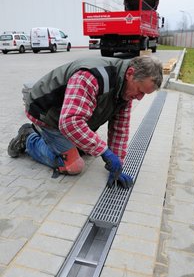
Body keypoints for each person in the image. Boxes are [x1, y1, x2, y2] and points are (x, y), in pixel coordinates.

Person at [7, 55, 163, 189]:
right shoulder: (92, 77)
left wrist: (118, 164)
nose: (139, 98)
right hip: (45, 112)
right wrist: (104, 151)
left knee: (87, 148)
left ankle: (57, 143)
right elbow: (69, 123)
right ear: (130, 73)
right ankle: (28, 138)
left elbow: (119, 129)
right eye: (140, 91)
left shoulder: (127, 89)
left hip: (68, 114)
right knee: (74, 166)